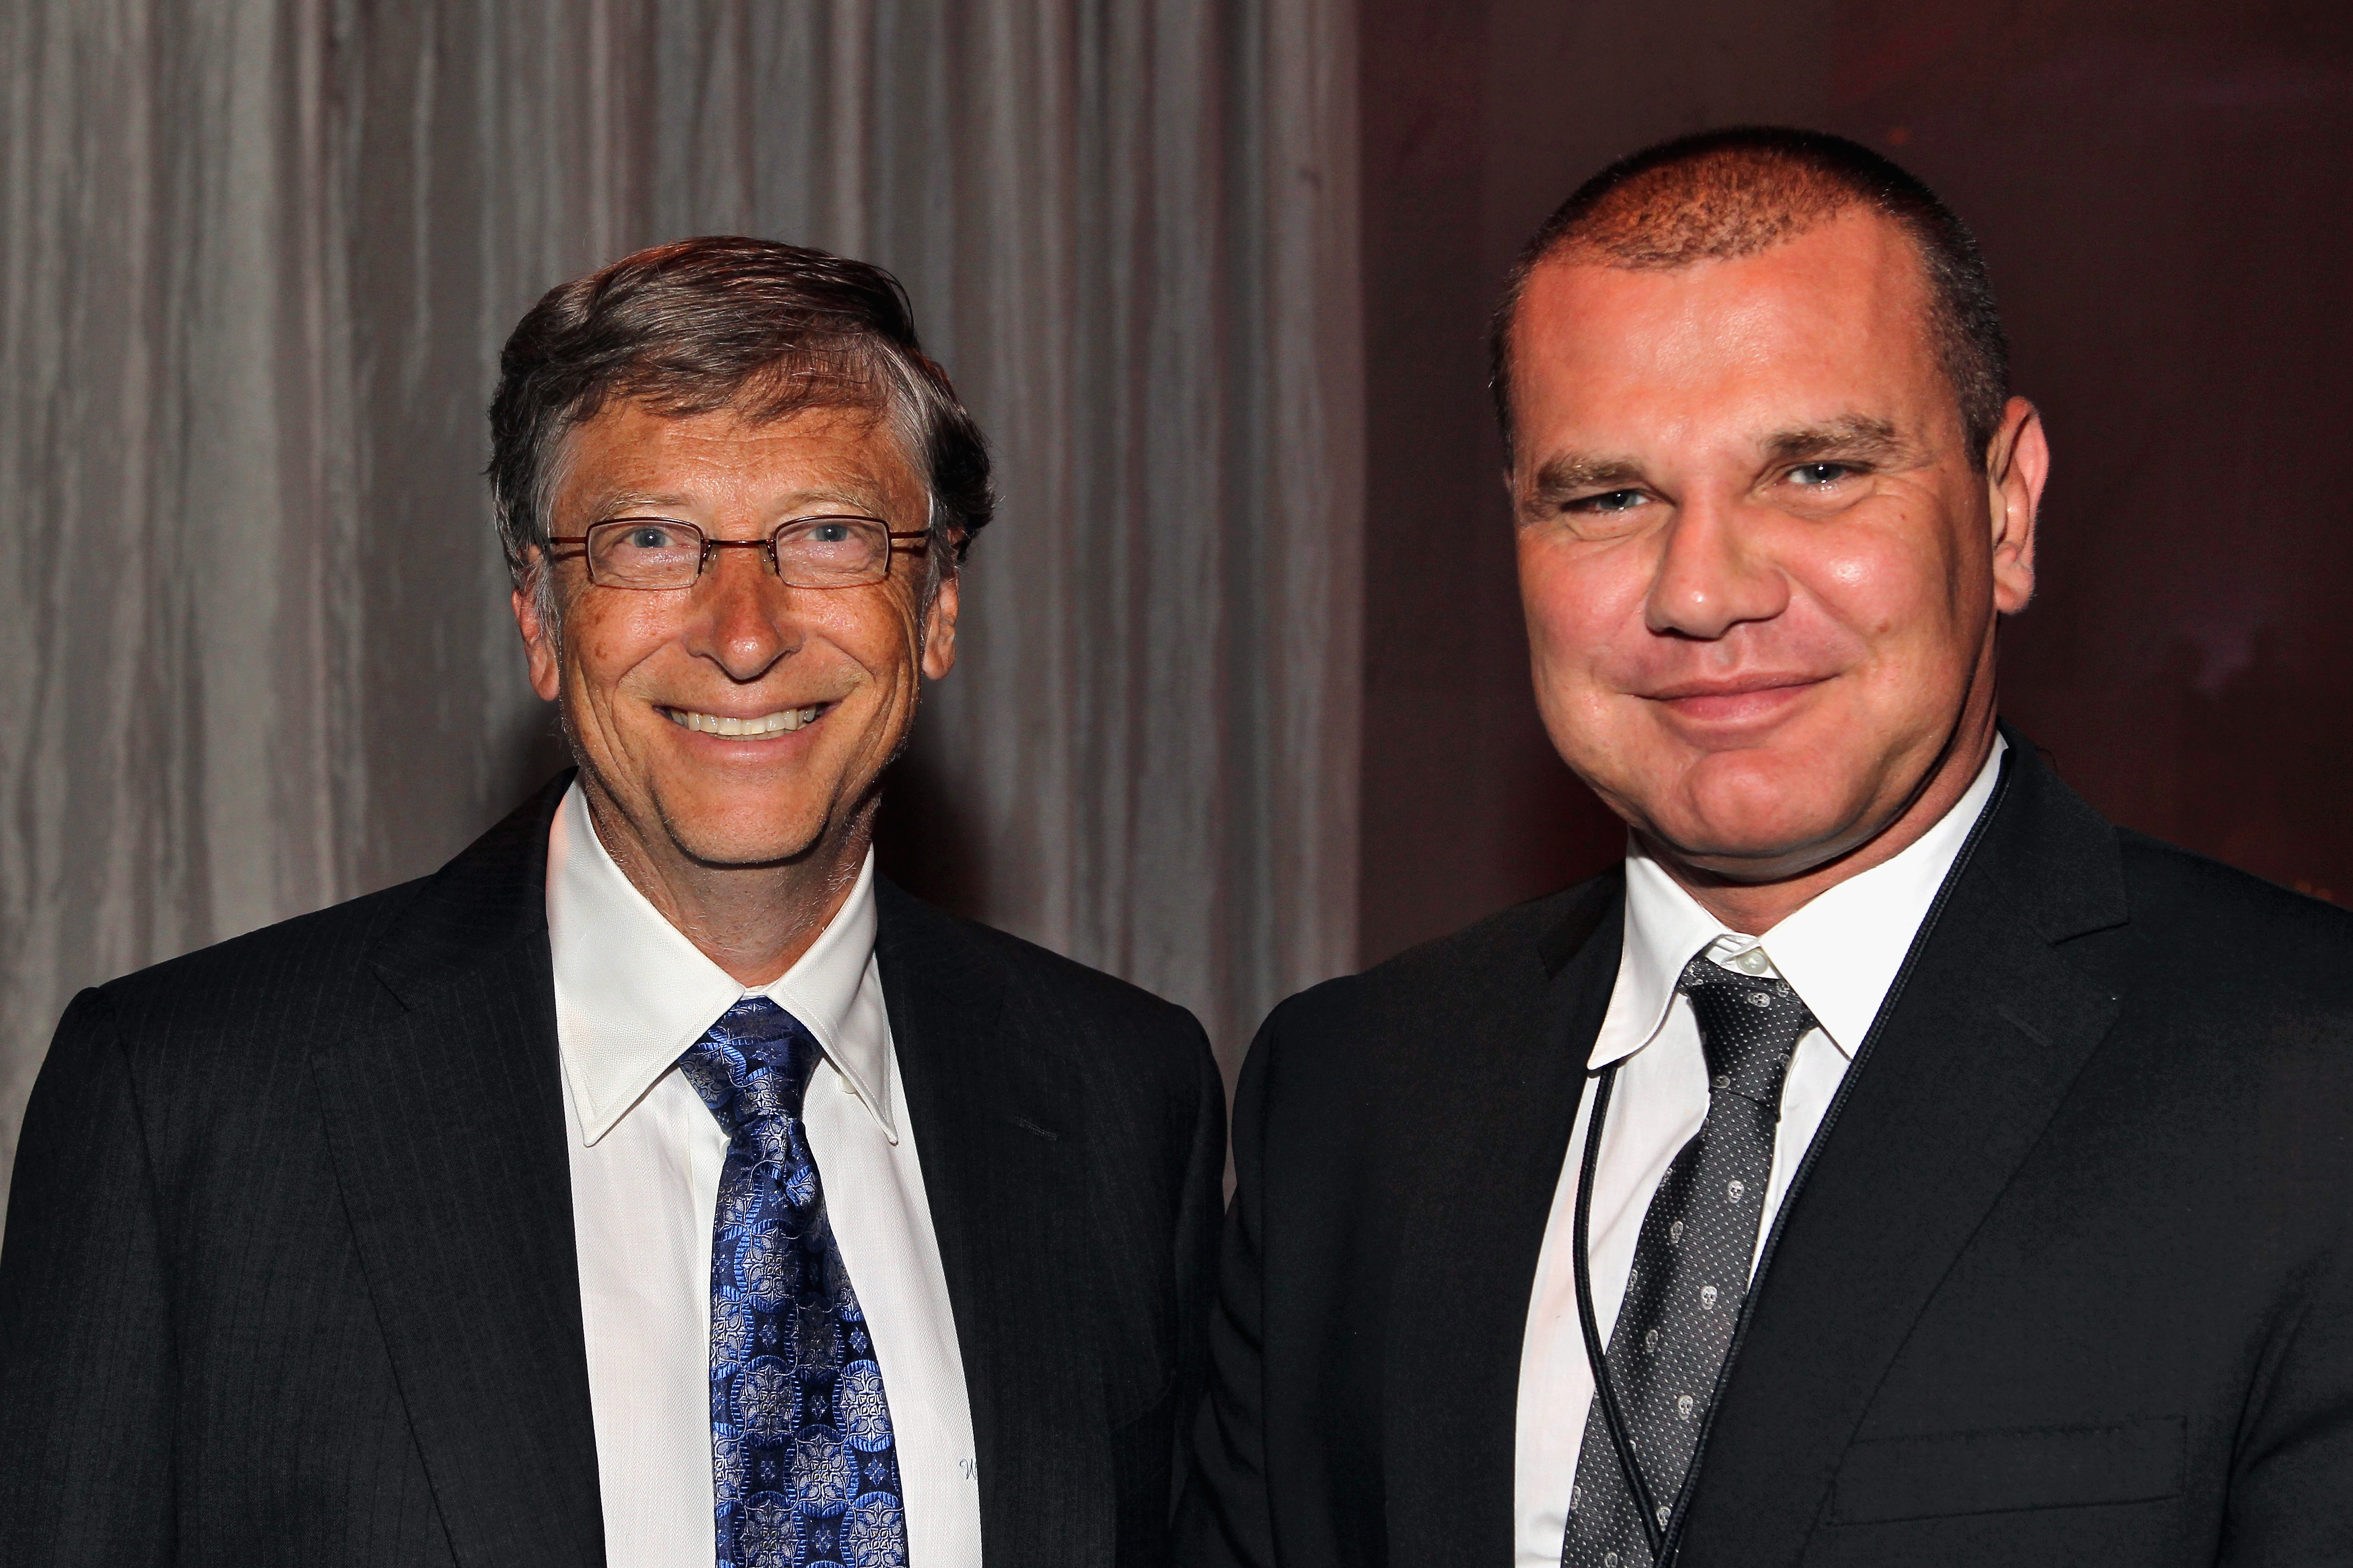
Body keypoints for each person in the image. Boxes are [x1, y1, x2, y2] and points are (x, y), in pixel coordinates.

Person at [1178, 128, 2353, 1566]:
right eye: (1608, 497)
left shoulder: (2312, 1086)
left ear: (2007, 507)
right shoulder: (1349, 1098)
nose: (1702, 588)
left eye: (1816, 471)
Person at [0, 236, 1224, 1568]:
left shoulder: (1125, 1097)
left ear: (935, 605)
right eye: (651, 541)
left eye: (828, 534)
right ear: (538, 613)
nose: (745, 632)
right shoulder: (184, 1108)